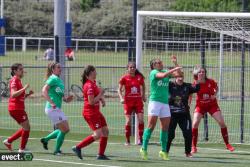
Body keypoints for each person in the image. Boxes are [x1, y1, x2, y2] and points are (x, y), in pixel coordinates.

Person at [140, 56, 182, 160]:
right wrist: (174, 69)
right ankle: (143, 148)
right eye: (158, 62)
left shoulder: (165, 71)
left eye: (161, 62)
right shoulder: (153, 72)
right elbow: (163, 75)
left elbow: (179, 75)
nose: (161, 63)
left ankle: (163, 151)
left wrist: (176, 64)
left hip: (164, 103)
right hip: (155, 102)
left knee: (165, 128)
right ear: (154, 65)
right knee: (151, 126)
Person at [191, 66, 235, 153]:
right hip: (200, 106)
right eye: (200, 72)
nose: (202, 73)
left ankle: (227, 144)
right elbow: (190, 92)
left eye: (203, 72)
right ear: (197, 74)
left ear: (205, 73)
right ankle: (193, 146)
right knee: (195, 124)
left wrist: (214, 95)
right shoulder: (195, 84)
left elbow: (217, 88)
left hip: (212, 105)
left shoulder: (211, 81)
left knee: (222, 123)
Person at [72, 65, 109, 160]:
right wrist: (101, 94)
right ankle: (78, 147)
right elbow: (91, 102)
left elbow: (97, 95)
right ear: (91, 73)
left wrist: (102, 99)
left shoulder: (94, 83)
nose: (96, 73)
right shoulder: (89, 85)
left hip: (96, 112)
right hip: (90, 113)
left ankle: (101, 154)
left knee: (105, 131)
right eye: (95, 71)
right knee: (98, 134)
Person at [40, 62, 73, 155]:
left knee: (66, 129)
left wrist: (67, 99)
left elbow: (62, 98)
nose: (60, 68)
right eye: (58, 67)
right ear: (53, 70)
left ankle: (45, 139)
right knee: (64, 129)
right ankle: (56, 150)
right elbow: (44, 90)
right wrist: (51, 102)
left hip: (57, 109)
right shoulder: (52, 78)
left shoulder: (59, 80)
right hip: (51, 108)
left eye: (60, 67)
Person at [166, 70, 201, 158]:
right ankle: (165, 151)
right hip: (172, 115)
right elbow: (163, 79)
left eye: (182, 75)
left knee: (188, 134)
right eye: (178, 76)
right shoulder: (170, 85)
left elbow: (197, 88)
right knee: (170, 135)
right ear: (175, 77)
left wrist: (196, 76)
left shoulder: (187, 86)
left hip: (184, 115)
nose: (180, 77)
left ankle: (188, 152)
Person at [3, 63, 33, 152]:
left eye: (22, 69)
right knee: (27, 127)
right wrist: (24, 88)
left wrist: (28, 94)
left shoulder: (18, 80)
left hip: (18, 108)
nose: (22, 70)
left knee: (26, 127)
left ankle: (8, 141)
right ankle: (21, 149)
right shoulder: (14, 80)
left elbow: (20, 96)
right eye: (20, 69)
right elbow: (13, 94)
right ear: (15, 71)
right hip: (16, 108)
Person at [118, 62, 146, 146]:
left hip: (138, 102)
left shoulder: (139, 77)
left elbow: (143, 86)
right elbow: (119, 89)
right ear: (127, 69)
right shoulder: (124, 78)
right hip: (128, 102)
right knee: (128, 121)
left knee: (141, 120)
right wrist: (121, 98)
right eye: (130, 67)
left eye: (134, 67)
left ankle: (140, 140)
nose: (132, 69)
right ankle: (127, 140)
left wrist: (143, 96)